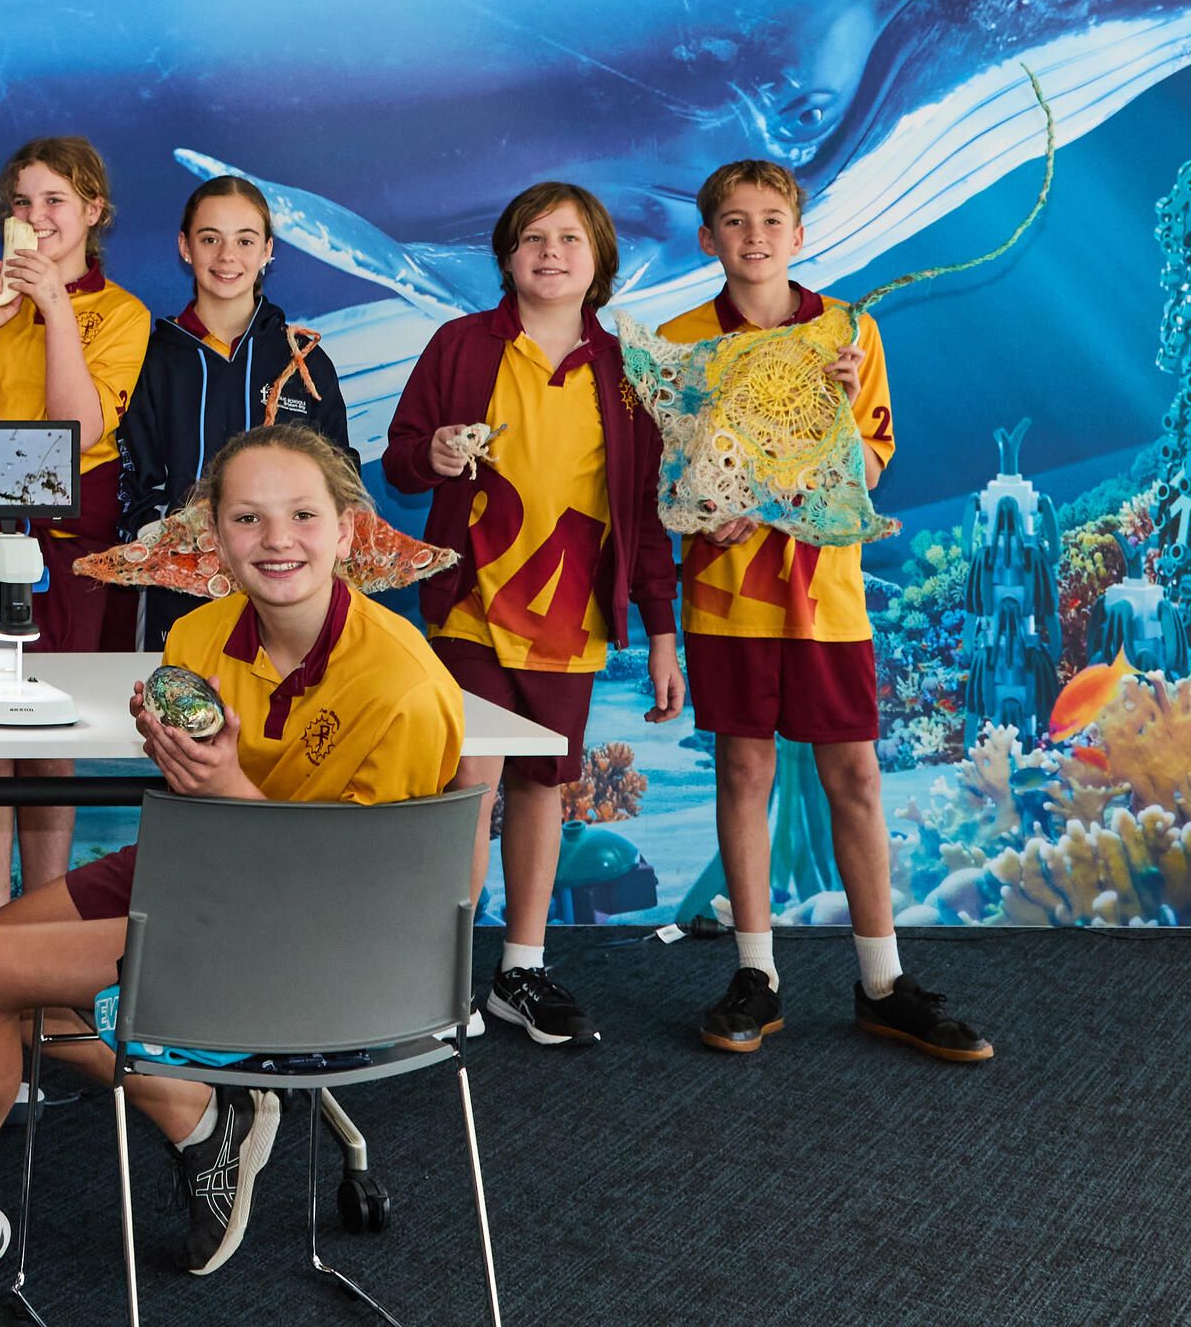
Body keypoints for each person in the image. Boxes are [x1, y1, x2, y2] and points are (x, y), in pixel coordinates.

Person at [0, 424, 466, 1277]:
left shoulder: (406, 688)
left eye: (303, 516)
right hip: (205, 867)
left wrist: (225, 782)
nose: (276, 541)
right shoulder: (198, 642)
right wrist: (187, 766)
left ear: (349, 529)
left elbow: (352, 895)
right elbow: (196, 813)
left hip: (317, 924)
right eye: (247, 519)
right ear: (214, 536)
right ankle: (201, 1116)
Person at [658, 159, 992, 1062]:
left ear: (800, 236)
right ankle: (755, 975)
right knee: (743, 773)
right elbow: (671, 481)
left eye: (772, 219)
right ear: (708, 238)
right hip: (727, 596)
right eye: (733, 220)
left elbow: (874, 469)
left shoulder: (851, 331)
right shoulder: (678, 340)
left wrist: (837, 414)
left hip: (826, 597)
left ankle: (882, 982)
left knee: (855, 776)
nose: (754, 235)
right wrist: (707, 512)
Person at [383, 180, 683, 1048]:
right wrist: (434, 455)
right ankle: (435, 975)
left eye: (570, 240)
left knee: (543, 788)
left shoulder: (631, 371)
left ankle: (520, 969)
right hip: (470, 604)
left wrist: (662, 633)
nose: (550, 253)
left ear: (602, 265)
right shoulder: (461, 345)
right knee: (470, 784)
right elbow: (402, 461)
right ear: (507, 256)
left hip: (573, 617)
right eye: (532, 238)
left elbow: (648, 510)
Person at [0, 136, 151, 916]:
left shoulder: (121, 315)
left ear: (94, 211)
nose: (36, 216)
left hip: (65, 545)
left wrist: (53, 306)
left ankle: (42, 922)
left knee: (52, 737)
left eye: (55, 200)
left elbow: (79, 431)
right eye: (21, 202)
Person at [116, 172, 350, 648]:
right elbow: (130, 477)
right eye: (210, 239)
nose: (227, 257)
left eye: (245, 240)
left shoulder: (303, 360)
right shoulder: (149, 357)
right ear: (186, 247)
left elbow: (341, 477)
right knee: (183, 717)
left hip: (287, 590)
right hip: (177, 594)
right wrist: (169, 534)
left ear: (267, 251)